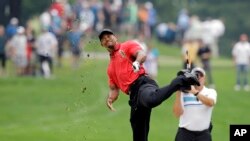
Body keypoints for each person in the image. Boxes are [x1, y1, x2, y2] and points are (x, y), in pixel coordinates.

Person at [98, 28, 200, 141]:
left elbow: (141, 54)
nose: (107, 39)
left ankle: (182, 79)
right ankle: (182, 80)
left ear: (115, 37)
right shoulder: (110, 68)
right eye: (103, 38)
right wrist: (110, 99)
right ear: (102, 44)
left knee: (151, 99)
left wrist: (137, 62)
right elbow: (114, 89)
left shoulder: (127, 46)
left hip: (143, 83)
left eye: (109, 36)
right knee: (138, 134)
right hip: (134, 97)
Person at [173, 67, 217, 141]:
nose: (199, 77)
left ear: (205, 79)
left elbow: (210, 103)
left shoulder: (210, 92)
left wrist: (195, 92)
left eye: (201, 75)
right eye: (196, 75)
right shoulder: (184, 93)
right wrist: (178, 91)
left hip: (203, 135)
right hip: (184, 134)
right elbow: (177, 113)